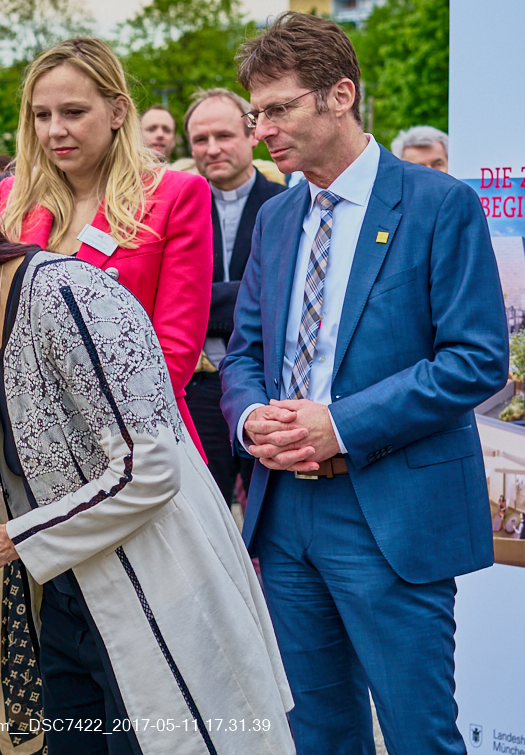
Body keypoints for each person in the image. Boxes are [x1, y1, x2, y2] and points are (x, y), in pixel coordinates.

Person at [0, 143, 294, 755]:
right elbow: (22, 484)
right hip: (73, 602)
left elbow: (150, 470)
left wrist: (14, 539)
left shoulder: (66, 294)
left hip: (154, 597)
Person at [219, 13, 509, 754]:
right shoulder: (279, 217)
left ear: (339, 95)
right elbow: (245, 351)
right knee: (317, 736)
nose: (262, 131)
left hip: (392, 513)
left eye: (278, 109)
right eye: (257, 113)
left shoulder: (440, 203)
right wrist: (251, 419)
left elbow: (476, 359)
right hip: (284, 519)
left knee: (419, 737)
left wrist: (339, 423)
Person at [0, 38, 212, 463]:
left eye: (73, 112)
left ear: (117, 112)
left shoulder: (175, 195)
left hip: (141, 450)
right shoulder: (12, 199)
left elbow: (173, 356)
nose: (55, 129)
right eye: (42, 115)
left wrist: (74, 425)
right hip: (37, 453)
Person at [184, 88, 286, 501]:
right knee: (204, 513)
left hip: (268, 383)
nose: (212, 149)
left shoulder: (285, 204)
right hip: (198, 386)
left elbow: (278, 299)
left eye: (223, 136)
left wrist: (201, 302)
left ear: (251, 134)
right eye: (199, 140)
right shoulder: (176, 209)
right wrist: (247, 293)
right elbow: (167, 300)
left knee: (268, 509)